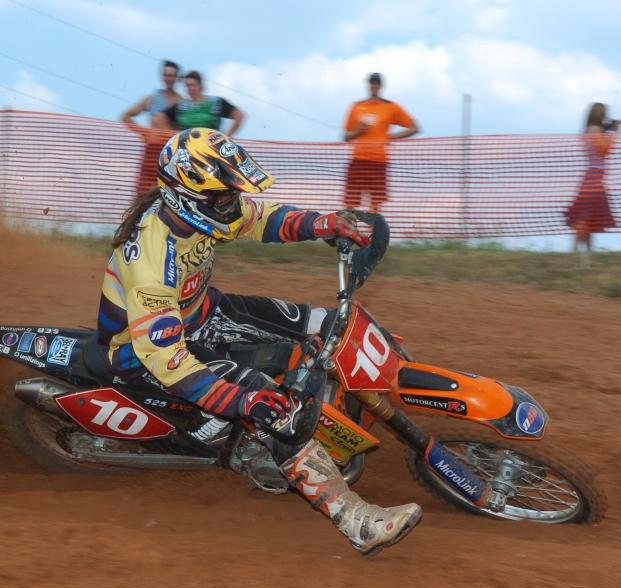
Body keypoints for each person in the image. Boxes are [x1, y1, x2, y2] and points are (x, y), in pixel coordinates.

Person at [98, 127, 422, 555]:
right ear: (186, 196)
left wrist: (320, 223)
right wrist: (244, 401)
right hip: (146, 353)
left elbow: (259, 218)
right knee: (275, 407)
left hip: (200, 312)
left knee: (320, 323)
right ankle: (355, 520)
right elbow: (166, 360)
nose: (232, 204)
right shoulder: (152, 261)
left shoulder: (200, 210)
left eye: (233, 194)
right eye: (224, 197)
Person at [342, 73, 419, 213]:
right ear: (368, 85)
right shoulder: (356, 106)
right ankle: (349, 227)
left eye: (377, 83)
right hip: (358, 160)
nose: (374, 86)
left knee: (376, 204)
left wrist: (391, 137)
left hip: (379, 161)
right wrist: (358, 131)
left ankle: (373, 227)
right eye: (372, 83)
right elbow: (346, 136)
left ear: (381, 85)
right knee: (350, 203)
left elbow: (414, 128)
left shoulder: (390, 107)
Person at [565, 103, 620, 267]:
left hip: (593, 177)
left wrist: (608, 132)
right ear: (599, 116)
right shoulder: (595, 130)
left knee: (590, 218)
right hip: (594, 178)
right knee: (585, 218)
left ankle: (585, 255)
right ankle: (575, 252)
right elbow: (605, 149)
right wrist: (614, 132)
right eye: (604, 115)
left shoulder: (589, 130)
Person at [121, 60, 182, 194]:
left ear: (177, 77)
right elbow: (126, 116)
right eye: (166, 75)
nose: (168, 78)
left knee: (169, 194)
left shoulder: (182, 103)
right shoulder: (152, 99)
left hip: (171, 154)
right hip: (151, 151)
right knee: (142, 194)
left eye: (171, 75)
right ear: (162, 76)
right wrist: (144, 133)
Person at [155, 71, 244, 136]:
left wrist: (228, 136)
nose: (189, 88)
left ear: (200, 85)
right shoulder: (181, 106)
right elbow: (158, 117)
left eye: (191, 85)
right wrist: (174, 136)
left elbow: (239, 115)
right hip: (187, 148)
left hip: (211, 147)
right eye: (187, 86)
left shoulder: (216, 102)